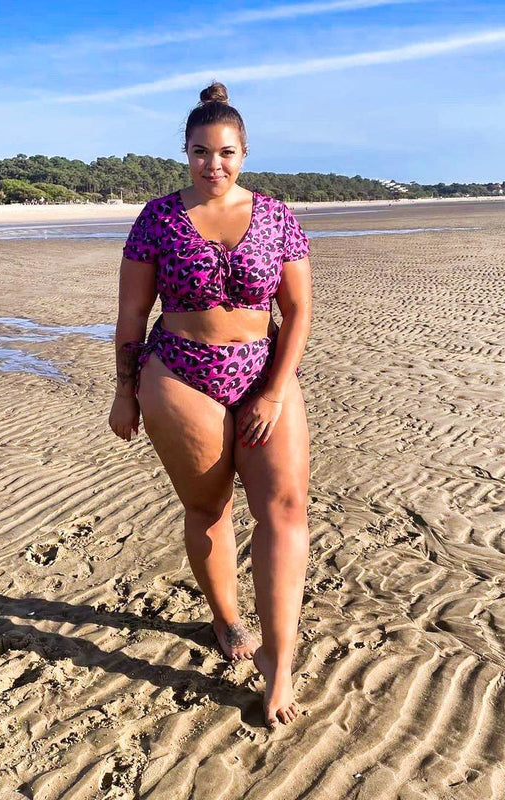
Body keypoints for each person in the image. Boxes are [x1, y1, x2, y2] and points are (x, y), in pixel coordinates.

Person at [108, 82, 312, 730]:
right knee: (208, 507)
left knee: (285, 512)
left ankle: (279, 662)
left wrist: (275, 390)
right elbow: (132, 314)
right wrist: (123, 391)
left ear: (244, 153)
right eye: (200, 152)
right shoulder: (157, 219)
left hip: (262, 373)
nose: (212, 164)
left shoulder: (276, 217)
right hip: (179, 374)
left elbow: (298, 312)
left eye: (225, 152)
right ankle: (226, 618)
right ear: (186, 153)